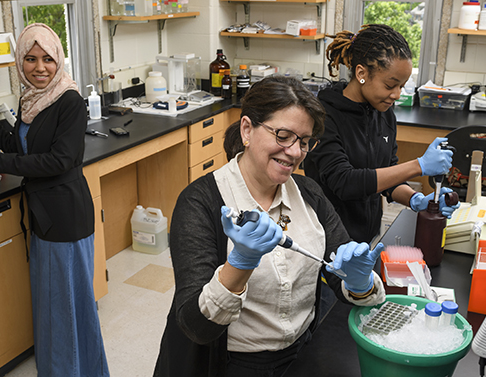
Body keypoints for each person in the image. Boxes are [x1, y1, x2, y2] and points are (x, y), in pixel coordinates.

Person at [153, 75, 386, 377]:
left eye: (304, 142)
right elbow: (196, 326)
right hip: (231, 365)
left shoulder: (309, 194)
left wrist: (359, 283)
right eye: (283, 135)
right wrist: (239, 265)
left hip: (303, 354)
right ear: (247, 129)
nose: (294, 152)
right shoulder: (200, 203)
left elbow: (343, 284)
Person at [0, 23, 109, 377]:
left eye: (47, 59)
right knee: (54, 305)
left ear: (59, 60)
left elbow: (60, 160)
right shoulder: (31, 100)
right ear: (19, 63)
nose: (40, 68)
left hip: (66, 217)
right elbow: (15, 143)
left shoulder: (69, 100)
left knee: (68, 308)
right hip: (45, 216)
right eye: (30, 59)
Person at [304, 24, 460, 244]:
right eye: (390, 85)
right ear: (361, 73)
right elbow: (344, 182)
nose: (396, 95)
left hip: (368, 237)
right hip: (327, 239)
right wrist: (419, 166)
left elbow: (387, 177)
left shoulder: (383, 113)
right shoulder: (323, 116)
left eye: (402, 86)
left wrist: (415, 199)